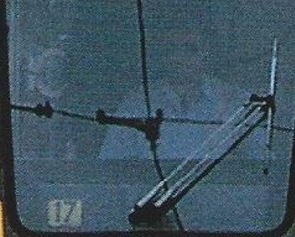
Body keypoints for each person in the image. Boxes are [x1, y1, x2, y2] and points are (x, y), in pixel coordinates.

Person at [101, 27, 242, 159]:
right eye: (172, 50)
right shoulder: (136, 104)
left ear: (207, 54)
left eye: (190, 50)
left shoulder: (235, 103)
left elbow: (259, 165)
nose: (179, 59)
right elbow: (111, 166)